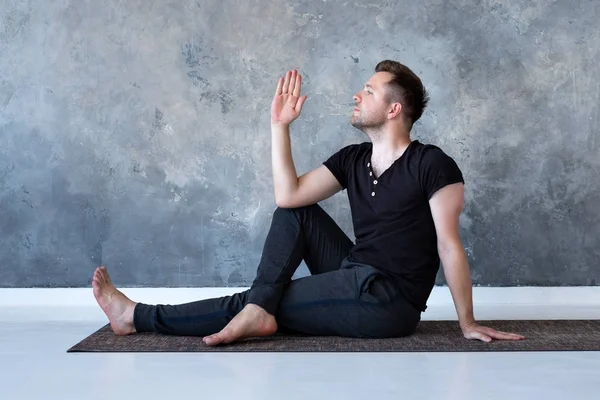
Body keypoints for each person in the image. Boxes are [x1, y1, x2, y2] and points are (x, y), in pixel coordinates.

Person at [92, 60, 525, 345]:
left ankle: (137, 316)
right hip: (354, 273)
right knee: (294, 215)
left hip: (387, 302)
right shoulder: (354, 159)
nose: (357, 96)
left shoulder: (432, 164)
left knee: (257, 301)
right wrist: (279, 126)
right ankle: (258, 308)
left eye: (369, 92)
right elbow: (289, 196)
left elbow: (449, 245)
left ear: (394, 109)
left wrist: (466, 323)